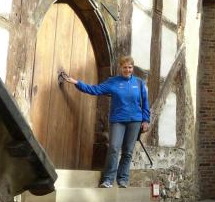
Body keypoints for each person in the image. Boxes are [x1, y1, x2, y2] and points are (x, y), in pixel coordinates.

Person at [63, 56, 150, 188]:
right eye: (125, 67)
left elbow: (145, 102)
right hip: (118, 120)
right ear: (120, 68)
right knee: (114, 148)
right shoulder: (113, 82)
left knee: (128, 151)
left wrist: (146, 120)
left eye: (130, 67)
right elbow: (95, 89)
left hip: (135, 121)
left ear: (132, 68)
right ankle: (108, 179)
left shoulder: (139, 83)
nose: (127, 70)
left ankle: (123, 179)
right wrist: (77, 83)